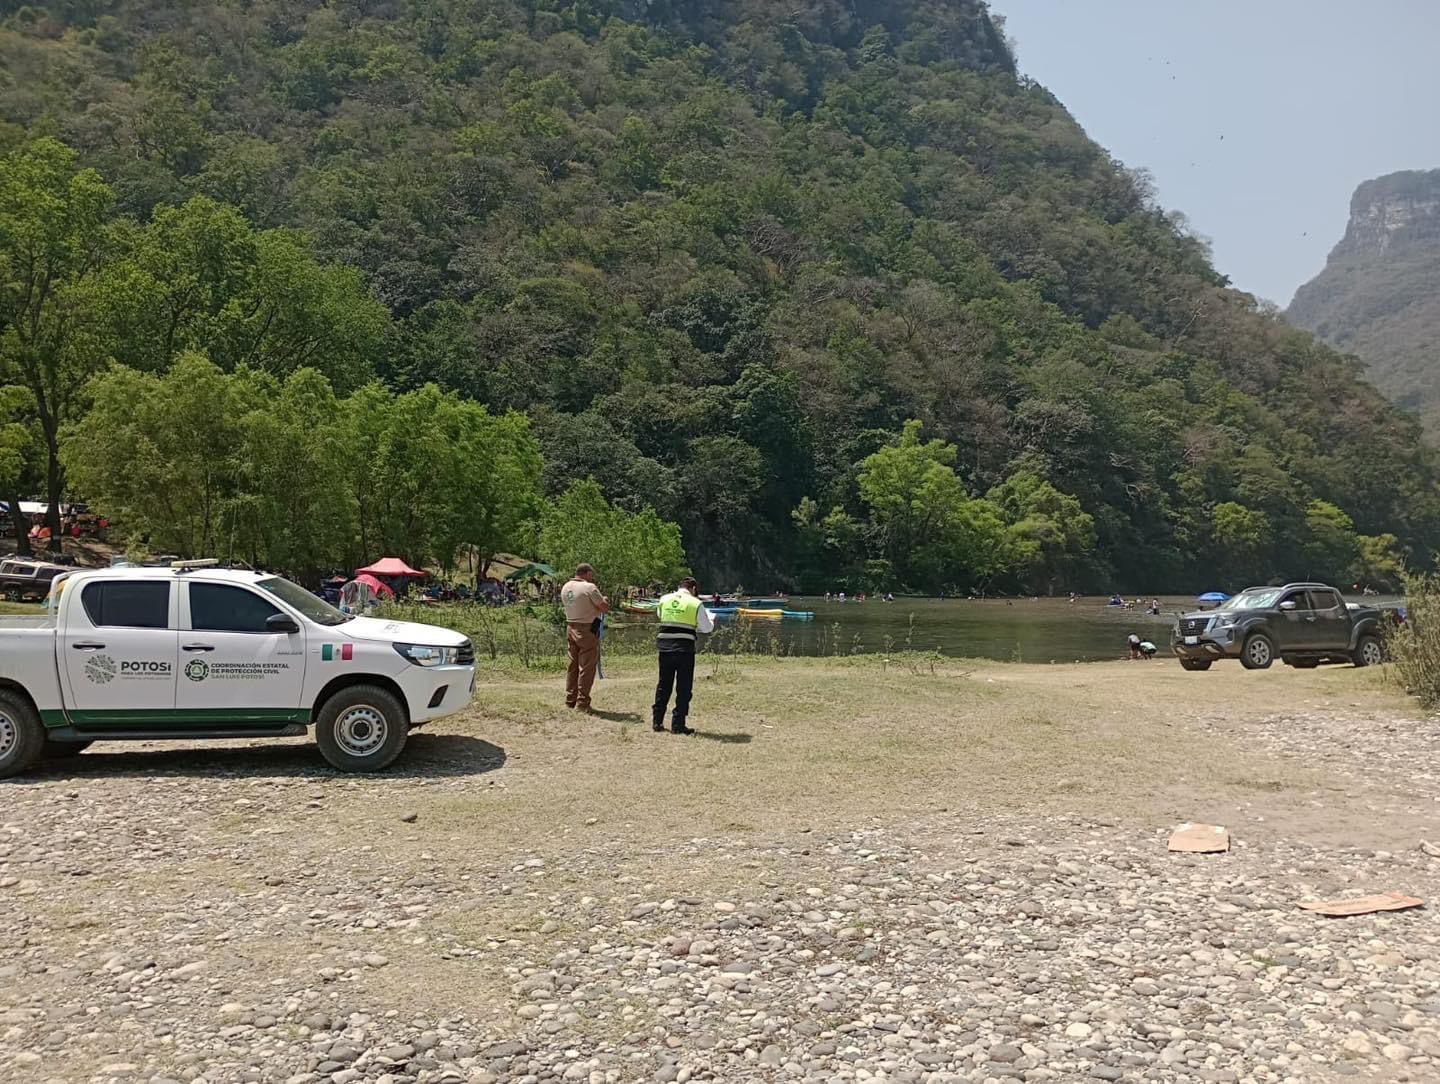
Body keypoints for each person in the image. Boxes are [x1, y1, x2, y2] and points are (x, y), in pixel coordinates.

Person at [652, 577, 715, 735]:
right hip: (684, 649)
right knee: (684, 687)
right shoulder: (695, 603)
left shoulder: (664, 599)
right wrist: (712, 620)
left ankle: (657, 721)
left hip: (665, 647)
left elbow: (661, 616)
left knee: (663, 684)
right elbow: (706, 628)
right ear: (693, 588)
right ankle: (678, 724)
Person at [561, 564, 609, 713]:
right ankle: (582, 703)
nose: (592, 577)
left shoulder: (566, 587)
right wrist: (605, 600)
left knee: (573, 666)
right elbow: (603, 607)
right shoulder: (589, 587)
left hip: (570, 627)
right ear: (587, 573)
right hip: (586, 629)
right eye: (591, 574)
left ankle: (571, 699)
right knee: (587, 667)